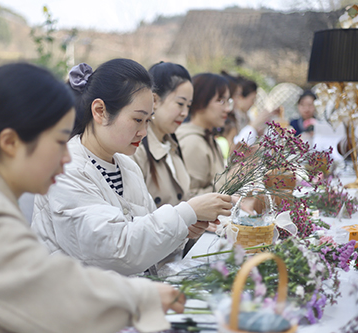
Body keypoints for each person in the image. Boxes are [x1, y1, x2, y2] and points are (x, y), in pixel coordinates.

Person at [0, 63, 185, 333]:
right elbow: (47, 292)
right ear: (10, 143)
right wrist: (139, 298)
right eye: (58, 142)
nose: (66, 156)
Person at [31, 59, 233, 276]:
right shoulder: (67, 169)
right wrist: (185, 213)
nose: (144, 132)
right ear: (100, 111)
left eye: (148, 120)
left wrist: (183, 231)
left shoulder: (126, 165)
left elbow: (144, 238)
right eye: (137, 119)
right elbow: (116, 250)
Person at [131, 62, 193, 208]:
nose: (185, 113)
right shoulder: (136, 148)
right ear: (155, 101)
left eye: (189, 106)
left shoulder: (172, 145)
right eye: (180, 103)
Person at [176, 73, 232, 196]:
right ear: (201, 100)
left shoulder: (207, 137)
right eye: (220, 101)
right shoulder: (193, 142)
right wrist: (232, 179)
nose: (227, 108)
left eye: (229, 101)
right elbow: (188, 196)